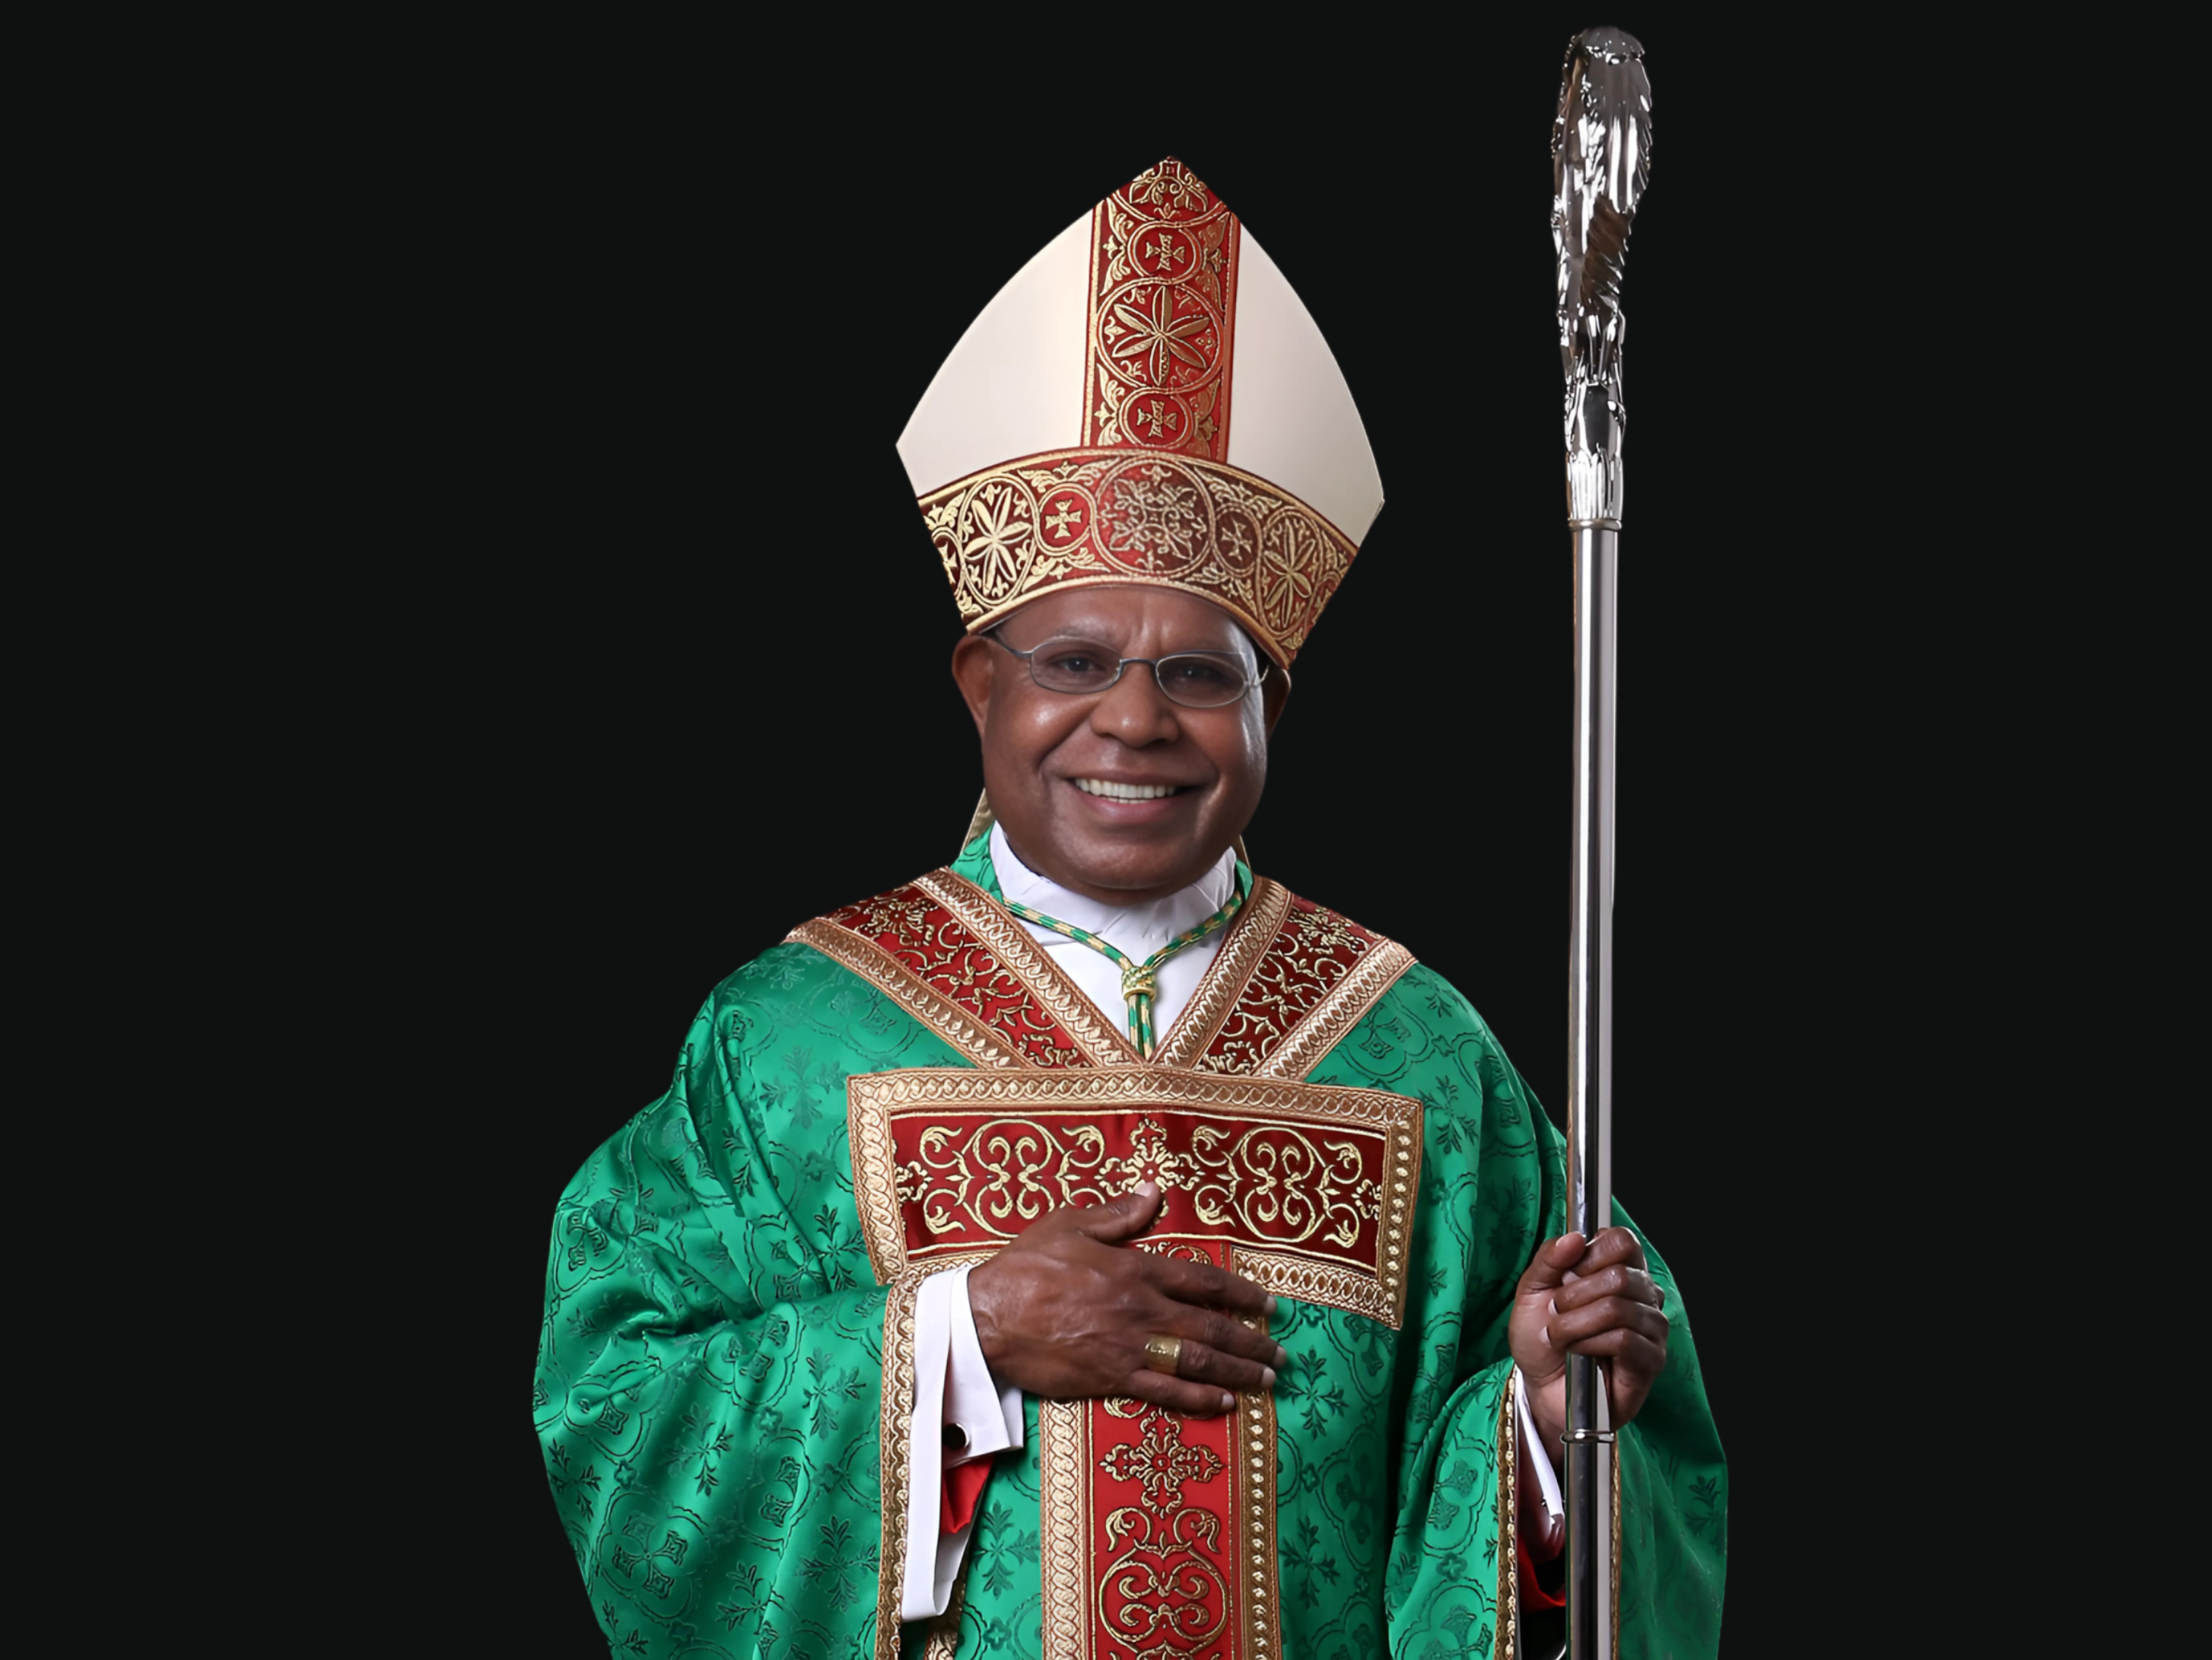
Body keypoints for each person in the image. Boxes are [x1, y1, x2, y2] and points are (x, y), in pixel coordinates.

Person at [535, 157, 1725, 1659]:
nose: (1136, 720)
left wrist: (1548, 1424)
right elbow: (621, 1402)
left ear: (1270, 705)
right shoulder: (790, 1040)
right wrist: (965, 1334)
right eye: (1076, 662)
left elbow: (1555, 1486)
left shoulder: (1420, 1055)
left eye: (1199, 673)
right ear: (981, 684)